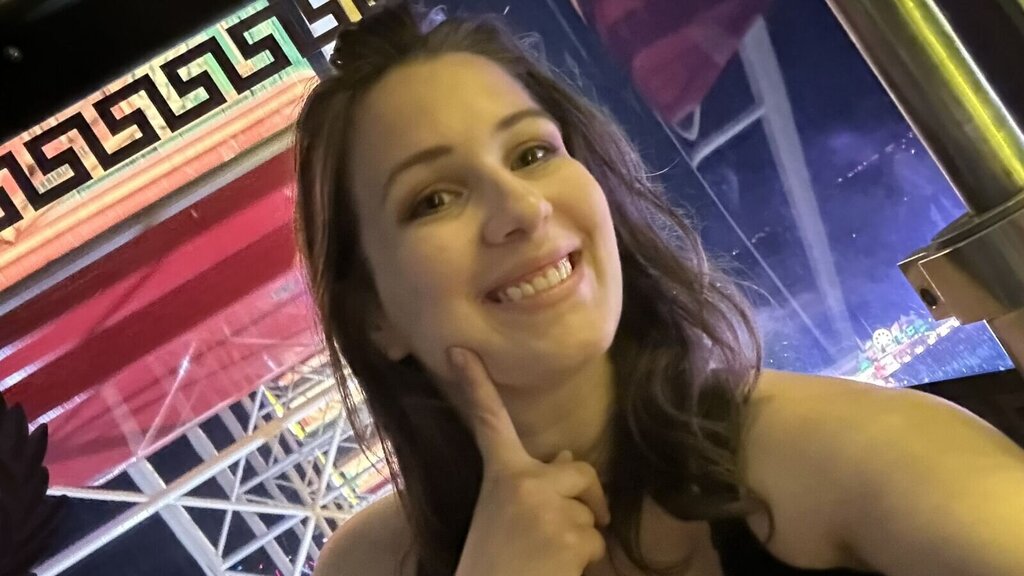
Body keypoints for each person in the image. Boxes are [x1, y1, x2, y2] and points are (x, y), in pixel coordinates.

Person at [293, 2, 1024, 575]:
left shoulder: (837, 454)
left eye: (532, 153)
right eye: (433, 199)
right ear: (374, 313)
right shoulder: (366, 563)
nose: (522, 209)